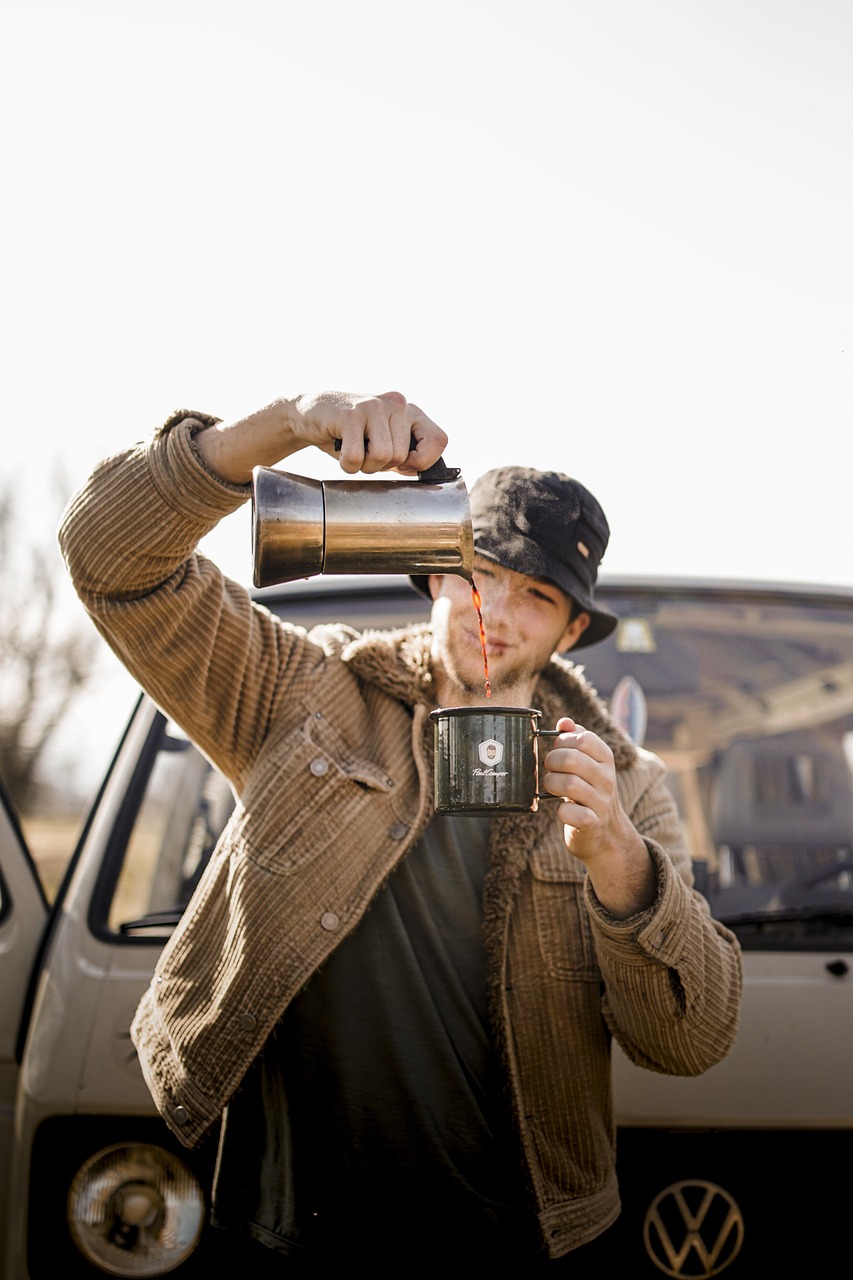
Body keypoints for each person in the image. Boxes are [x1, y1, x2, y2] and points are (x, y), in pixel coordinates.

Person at [59, 390, 742, 1276]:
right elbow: (110, 558)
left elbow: (691, 1042)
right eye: (476, 571)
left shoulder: (628, 787)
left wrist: (619, 861)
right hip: (281, 1228)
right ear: (431, 570)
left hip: (524, 1241)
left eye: (534, 594)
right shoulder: (305, 695)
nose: (493, 610)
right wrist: (292, 423)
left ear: (573, 628)